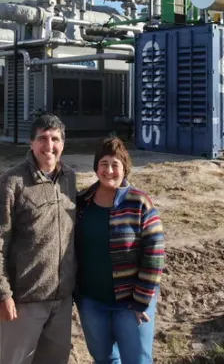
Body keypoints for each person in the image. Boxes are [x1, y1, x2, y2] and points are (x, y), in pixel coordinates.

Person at [0, 114, 78, 364]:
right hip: (24, 301)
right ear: (31, 143)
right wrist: (0, 293)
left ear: (63, 143)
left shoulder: (69, 179)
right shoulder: (12, 183)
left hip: (62, 300)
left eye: (55, 139)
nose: (49, 146)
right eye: (42, 138)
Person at [75, 136, 165, 364]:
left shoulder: (139, 202)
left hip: (131, 302)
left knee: (137, 360)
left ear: (125, 169)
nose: (109, 170)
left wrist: (142, 299)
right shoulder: (82, 201)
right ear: (96, 167)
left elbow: (154, 252)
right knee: (104, 360)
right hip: (92, 302)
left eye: (115, 164)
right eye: (104, 163)